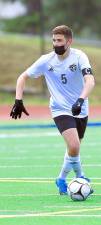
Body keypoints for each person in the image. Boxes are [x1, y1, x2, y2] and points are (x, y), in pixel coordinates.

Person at [10, 25, 95, 195]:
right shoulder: (46, 60)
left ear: (69, 41)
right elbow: (22, 77)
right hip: (59, 108)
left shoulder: (79, 57)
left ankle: (62, 179)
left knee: (73, 149)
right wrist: (18, 100)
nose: (56, 44)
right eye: (54, 40)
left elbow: (90, 81)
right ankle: (80, 177)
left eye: (59, 40)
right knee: (74, 145)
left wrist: (80, 100)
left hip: (80, 108)